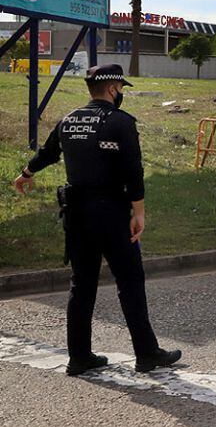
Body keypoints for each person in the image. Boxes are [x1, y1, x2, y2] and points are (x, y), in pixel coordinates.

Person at [13, 64, 181, 376]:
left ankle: (79, 357)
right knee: (129, 280)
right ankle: (146, 353)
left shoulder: (69, 119)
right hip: (111, 213)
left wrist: (26, 174)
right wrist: (139, 212)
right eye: (121, 88)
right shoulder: (120, 122)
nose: (121, 94)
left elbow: (48, 153)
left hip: (76, 214)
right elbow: (134, 170)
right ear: (113, 88)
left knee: (82, 283)